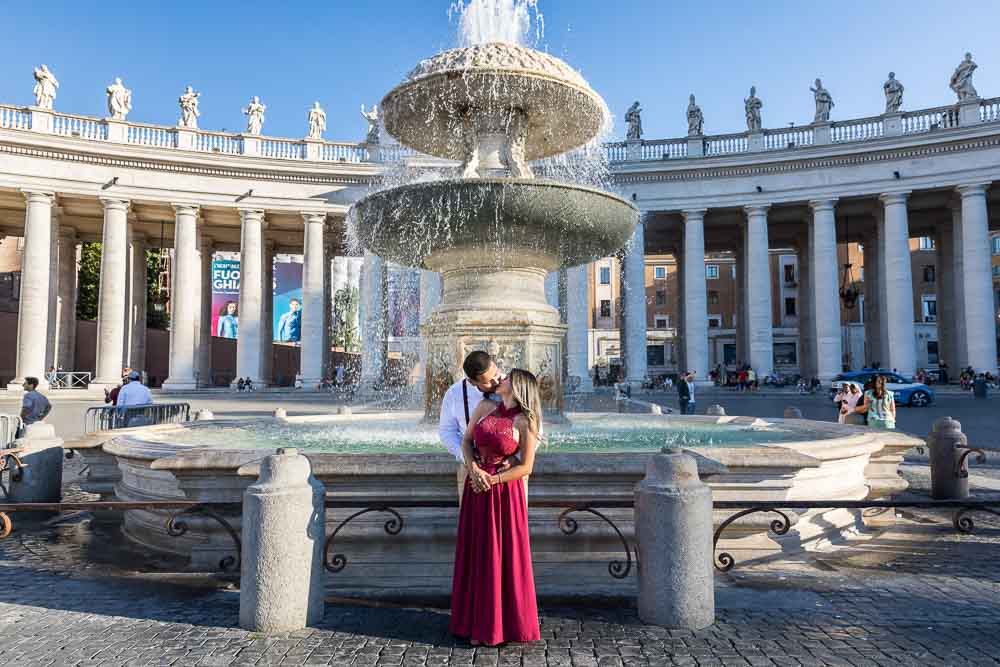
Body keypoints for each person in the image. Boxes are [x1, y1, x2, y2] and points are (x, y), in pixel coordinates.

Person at [449, 368, 541, 646]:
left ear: (518, 386)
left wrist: (494, 478)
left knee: (502, 556)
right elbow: (466, 441)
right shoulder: (486, 406)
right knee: (477, 553)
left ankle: (500, 626)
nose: (502, 379)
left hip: (502, 493)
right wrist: (474, 469)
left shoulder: (526, 421)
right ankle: (473, 622)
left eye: (508, 378)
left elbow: (526, 466)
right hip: (476, 486)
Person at [438, 351, 508, 501]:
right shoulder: (454, 394)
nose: (496, 382)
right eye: (488, 382)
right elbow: (446, 432)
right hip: (470, 468)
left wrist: (516, 457)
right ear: (471, 381)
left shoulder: (515, 385)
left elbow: (535, 426)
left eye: (496, 373)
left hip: (509, 469)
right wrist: (469, 461)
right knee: (472, 521)